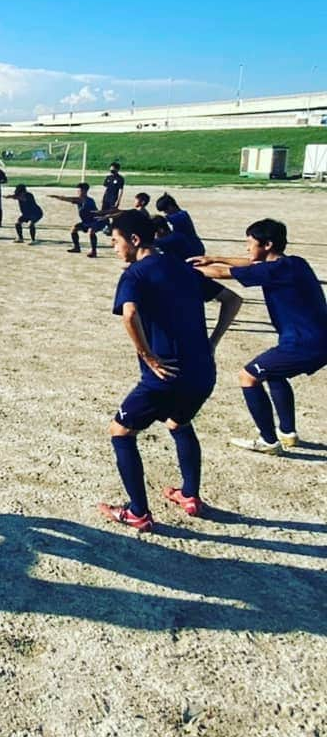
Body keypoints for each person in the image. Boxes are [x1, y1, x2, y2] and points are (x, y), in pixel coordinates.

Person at [98, 211, 217, 532]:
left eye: (115, 241)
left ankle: (138, 512)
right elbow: (231, 300)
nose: (113, 247)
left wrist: (147, 355)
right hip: (203, 373)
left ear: (134, 240)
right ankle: (190, 496)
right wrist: (213, 341)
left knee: (120, 431)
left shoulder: (136, 274)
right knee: (179, 421)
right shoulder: (180, 266)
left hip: (164, 377)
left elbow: (129, 314)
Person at [193, 219, 327, 455]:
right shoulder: (294, 263)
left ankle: (268, 441)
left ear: (267, 244)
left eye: (250, 243)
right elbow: (249, 264)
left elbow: (223, 274)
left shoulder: (272, 270)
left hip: (304, 344)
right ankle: (288, 433)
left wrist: (179, 269)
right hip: (314, 340)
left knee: (249, 376)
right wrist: (214, 257)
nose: (247, 248)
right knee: (274, 374)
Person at [152, 216, 243, 349]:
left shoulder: (173, 240)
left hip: (192, 276)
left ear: (160, 231)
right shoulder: (177, 238)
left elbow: (151, 246)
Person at [50, 183, 105, 257]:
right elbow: (69, 199)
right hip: (86, 222)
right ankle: (77, 248)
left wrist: (58, 197)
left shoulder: (88, 200)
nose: (78, 192)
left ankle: (93, 251)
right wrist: (58, 197)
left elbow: (68, 199)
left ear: (85, 191)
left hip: (96, 221)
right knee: (74, 229)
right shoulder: (79, 200)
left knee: (91, 232)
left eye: (80, 191)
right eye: (78, 191)